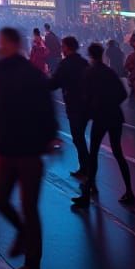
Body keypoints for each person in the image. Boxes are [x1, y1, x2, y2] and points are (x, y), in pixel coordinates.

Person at [0, 27, 56, 269]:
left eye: (1, 42)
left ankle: (31, 267)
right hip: (22, 151)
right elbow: (47, 112)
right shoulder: (26, 74)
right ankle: (25, 238)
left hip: (16, 150)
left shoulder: (6, 73)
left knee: (10, 202)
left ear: (12, 44)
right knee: (13, 204)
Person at [72, 43, 134, 209]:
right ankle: (129, 191)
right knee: (118, 153)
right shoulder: (110, 72)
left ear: (90, 55)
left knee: (93, 153)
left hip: (99, 117)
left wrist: (86, 116)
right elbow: (123, 93)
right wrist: (111, 104)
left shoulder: (88, 73)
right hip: (114, 116)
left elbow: (85, 99)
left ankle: (87, 192)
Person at [47, 36, 89, 177]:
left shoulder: (65, 64)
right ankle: (87, 166)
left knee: (78, 138)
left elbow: (54, 83)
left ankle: (85, 167)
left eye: (63, 47)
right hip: (86, 105)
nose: (61, 49)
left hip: (73, 104)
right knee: (81, 136)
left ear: (67, 48)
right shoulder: (84, 62)